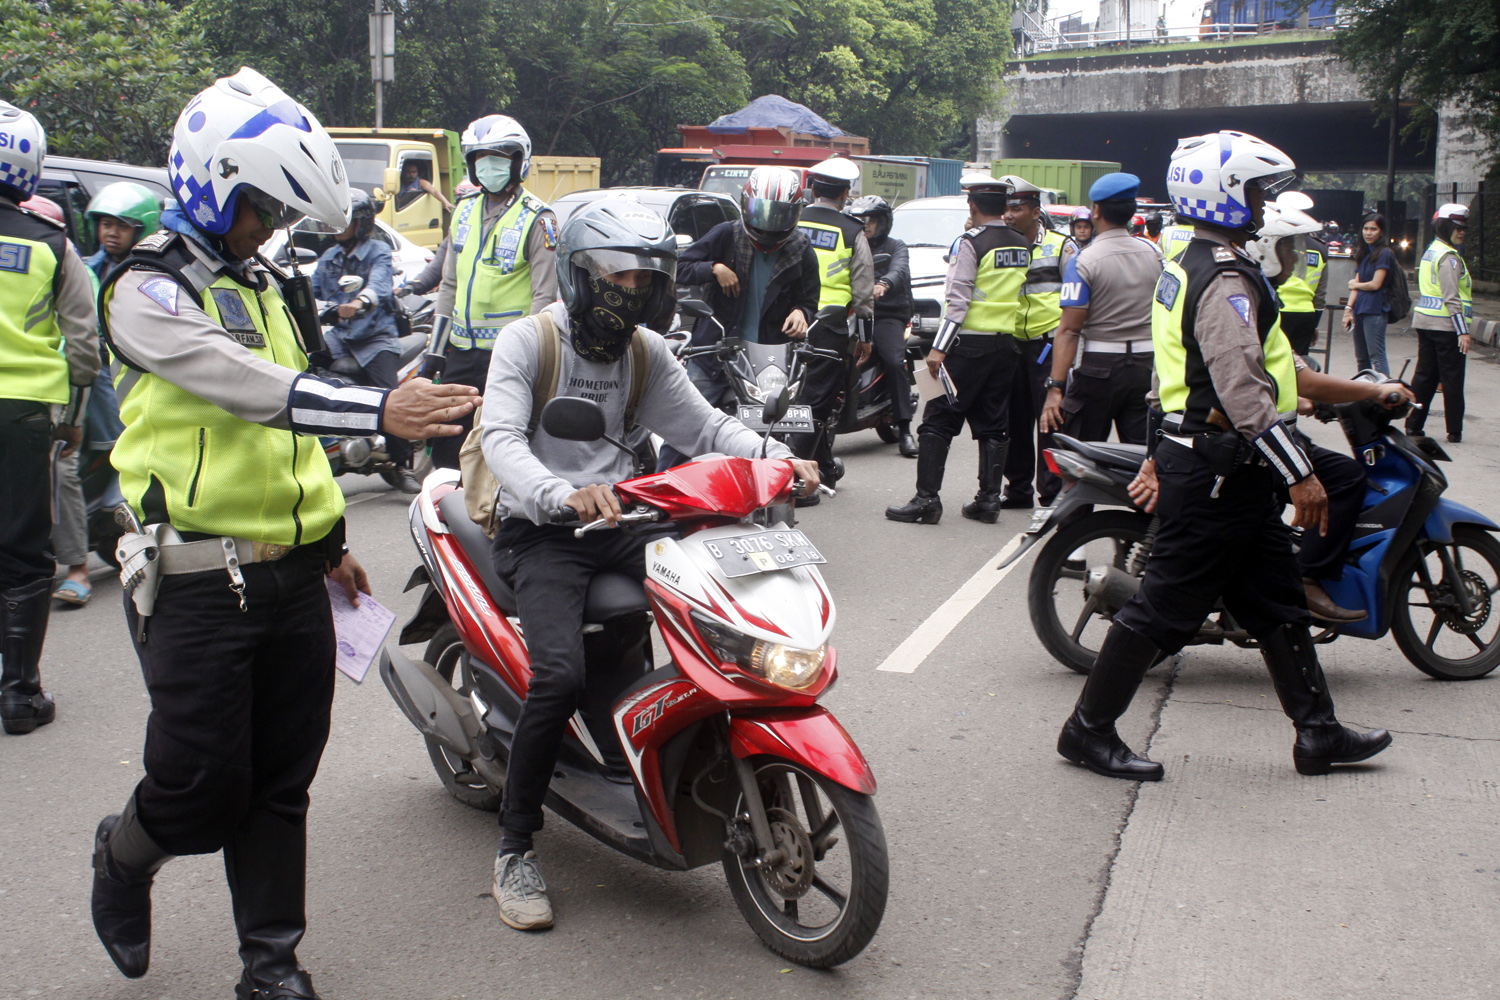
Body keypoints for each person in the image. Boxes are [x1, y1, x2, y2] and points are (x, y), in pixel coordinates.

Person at [88, 68, 477, 997]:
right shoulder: (144, 291)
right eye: (262, 206)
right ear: (213, 184)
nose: (272, 227)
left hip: (293, 578)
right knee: (196, 786)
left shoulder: (269, 282)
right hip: (194, 581)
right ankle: (124, 855)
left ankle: (270, 963)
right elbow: (248, 390)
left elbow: (292, 450)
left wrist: (329, 539)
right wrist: (382, 408)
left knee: (280, 781)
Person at [479, 199, 820, 931]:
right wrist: (560, 493)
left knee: (720, 608)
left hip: (628, 516)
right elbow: (502, 439)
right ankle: (515, 846)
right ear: (580, 275)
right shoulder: (526, 342)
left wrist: (781, 459)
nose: (637, 291)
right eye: (623, 276)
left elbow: (704, 428)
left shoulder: (646, 350)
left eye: (650, 278)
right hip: (543, 529)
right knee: (560, 675)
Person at [1056, 130, 1393, 783]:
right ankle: (1088, 730)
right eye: (1259, 191)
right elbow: (1240, 390)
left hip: (1225, 470)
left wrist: (1158, 450)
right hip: (1215, 470)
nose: (1268, 206)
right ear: (1226, 195)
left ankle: (1318, 732)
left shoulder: (1182, 261)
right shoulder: (1227, 277)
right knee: (1162, 608)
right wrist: (1300, 474)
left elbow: (1170, 375)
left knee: (1275, 602)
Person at [0, 102, 100, 735]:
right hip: (23, 417)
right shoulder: (52, 245)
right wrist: (74, 421)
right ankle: (19, 693)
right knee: (21, 554)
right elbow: (84, 347)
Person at [886, 175, 1028, 525]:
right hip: (1004, 345)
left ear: (973, 206)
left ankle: (926, 500)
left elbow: (958, 301)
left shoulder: (970, 243)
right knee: (993, 424)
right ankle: (989, 500)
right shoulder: (1020, 243)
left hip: (968, 347)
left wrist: (938, 349)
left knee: (937, 420)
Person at [665, 166, 820, 470]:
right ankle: (659, 484)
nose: (770, 224)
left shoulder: (801, 249)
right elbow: (680, 266)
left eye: (780, 215)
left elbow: (810, 299)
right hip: (716, 352)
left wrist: (802, 313)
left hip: (767, 360)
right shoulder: (727, 234)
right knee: (685, 427)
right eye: (764, 213)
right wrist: (714, 269)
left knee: (772, 435)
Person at [432, 115, 558, 469]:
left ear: (519, 162)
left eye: (499, 158)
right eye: (480, 159)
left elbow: (544, 297)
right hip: (460, 352)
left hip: (506, 356)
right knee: (447, 445)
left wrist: (532, 359)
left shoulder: (538, 218)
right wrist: (434, 352)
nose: (488, 167)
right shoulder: (464, 211)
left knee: (501, 446)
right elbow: (450, 285)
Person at [1038, 173, 1158, 449]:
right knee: (1143, 456)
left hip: (1098, 369)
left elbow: (1069, 329)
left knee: (1081, 454)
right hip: (1146, 367)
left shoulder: (1084, 260)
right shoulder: (1154, 254)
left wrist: (1055, 387)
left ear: (1096, 211)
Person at [313, 188, 421, 493]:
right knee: (304, 364)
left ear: (361, 222)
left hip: (376, 338)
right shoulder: (330, 256)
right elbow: (314, 289)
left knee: (390, 399)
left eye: (343, 222)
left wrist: (359, 302)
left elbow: (379, 286)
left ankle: (402, 466)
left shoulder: (378, 251)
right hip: (342, 338)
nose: (336, 228)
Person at [794, 156, 875, 499]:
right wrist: (866, 338)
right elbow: (863, 291)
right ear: (845, 193)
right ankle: (798, 476)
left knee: (789, 396)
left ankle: (823, 466)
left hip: (787, 322)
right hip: (829, 328)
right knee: (816, 402)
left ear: (812, 188)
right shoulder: (853, 231)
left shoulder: (790, 220)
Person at [997, 174, 1075, 509]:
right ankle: (1017, 490)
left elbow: (1076, 302)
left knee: (1050, 421)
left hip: (1047, 347)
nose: (1009, 215)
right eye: (1005, 209)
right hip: (1011, 346)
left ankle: (1052, 491)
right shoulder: (1000, 245)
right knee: (1013, 421)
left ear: (1035, 210)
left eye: (1016, 208)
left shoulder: (1062, 246)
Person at [847, 194, 917, 456]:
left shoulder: (895, 245)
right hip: (853, 312)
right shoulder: (851, 244)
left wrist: (883, 285)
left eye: (871, 221)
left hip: (887, 314)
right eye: (861, 220)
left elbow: (898, 270)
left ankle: (906, 429)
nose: (866, 225)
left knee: (894, 361)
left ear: (883, 222)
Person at [1406, 203, 1472, 443]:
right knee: (1452, 379)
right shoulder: (1450, 258)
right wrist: (1462, 331)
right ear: (1445, 227)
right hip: (1446, 327)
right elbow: (1452, 298)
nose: (1462, 231)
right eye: (1457, 227)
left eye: (1464, 228)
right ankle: (1454, 430)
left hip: (1425, 323)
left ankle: (1413, 425)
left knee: (1425, 377)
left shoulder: (1431, 251)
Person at [1254, 196, 1327, 356]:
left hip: (1282, 309)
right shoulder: (1320, 248)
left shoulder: (1272, 243)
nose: (1295, 259)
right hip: (1305, 313)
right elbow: (1320, 294)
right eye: (1289, 251)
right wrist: (1314, 322)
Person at [1343, 213, 1396, 374]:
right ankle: (1365, 393)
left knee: (1377, 356)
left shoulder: (1384, 253)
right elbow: (1355, 286)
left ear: (1381, 232)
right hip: (1360, 309)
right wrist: (1348, 310)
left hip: (1375, 309)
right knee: (1361, 358)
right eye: (1366, 228)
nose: (1368, 232)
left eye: (1373, 229)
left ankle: (1385, 393)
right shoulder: (1365, 252)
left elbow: (1375, 284)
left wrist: (1356, 284)